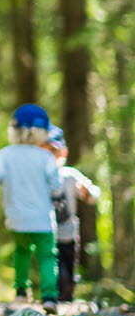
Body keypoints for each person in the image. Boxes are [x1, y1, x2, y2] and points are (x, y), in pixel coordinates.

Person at [0, 103, 64, 311]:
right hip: (42, 218)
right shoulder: (45, 157)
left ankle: (21, 294)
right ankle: (50, 297)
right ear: (41, 131)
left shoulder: (5, 154)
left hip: (17, 217)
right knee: (47, 256)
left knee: (21, 252)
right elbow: (56, 184)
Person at [44, 125, 99, 303]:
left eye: (54, 151)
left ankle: (68, 298)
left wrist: (86, 192)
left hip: (69, 230)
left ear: (63, 153)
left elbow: (93, 194)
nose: (50, 156)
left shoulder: (69, 175)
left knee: (70, 268)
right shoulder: (40, 177)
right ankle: (55, 298)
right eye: (46, 151)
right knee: (56, 268)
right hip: (47, 232)